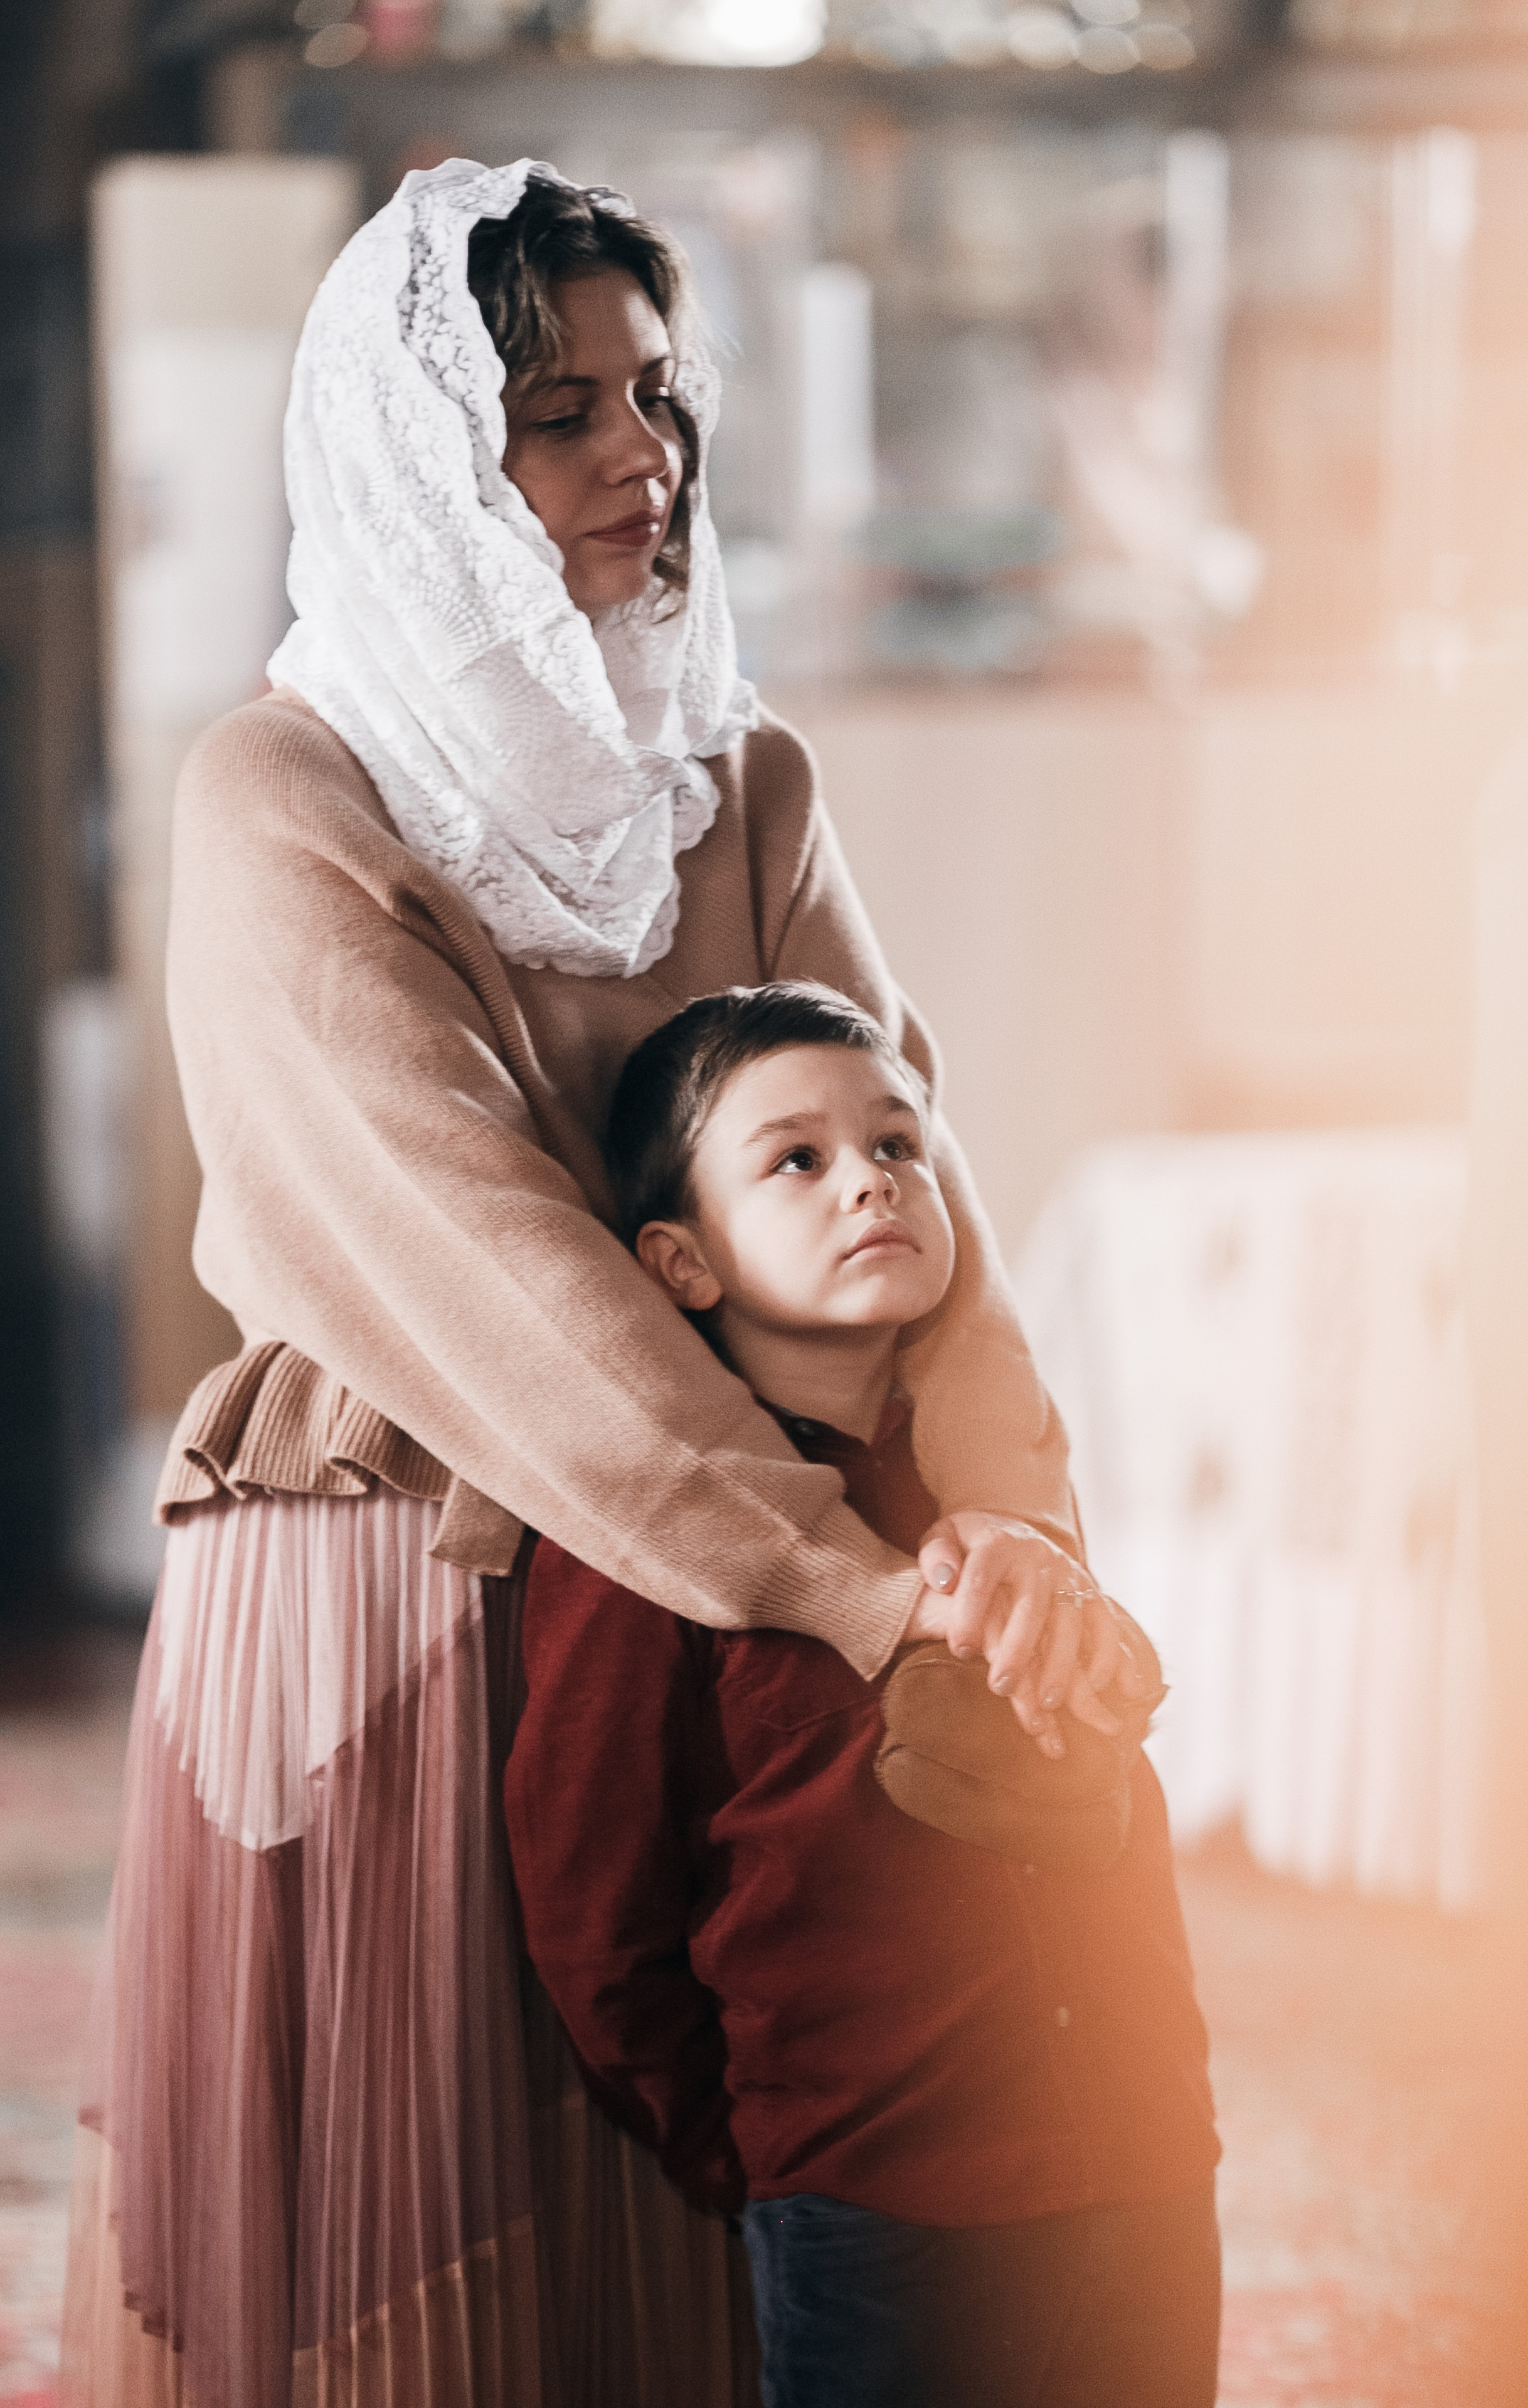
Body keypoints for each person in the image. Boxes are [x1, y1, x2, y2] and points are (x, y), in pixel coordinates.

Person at [60, 161, 1131, 2408]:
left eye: (658, 394)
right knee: (440, 2262)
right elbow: (491, 1270)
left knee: (722, 2218)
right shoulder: (287, 794)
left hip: (742, 1613)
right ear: (427, 461)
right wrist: (854, 1590)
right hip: (414, 1605)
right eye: (558, 413)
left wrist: (1016, 1519)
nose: (642, 457)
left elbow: (916, 1168)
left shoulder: (738, 780)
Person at [504, 981, 1220, 2408]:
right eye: (797, 1160)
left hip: (1142, 2160)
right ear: (679, 1262)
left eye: (898, 1144)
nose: (871, 1182)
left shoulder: (998, 1493)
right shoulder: (656, 1549)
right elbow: (596, 1910)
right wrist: (767, 2154)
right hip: (876, 2202)